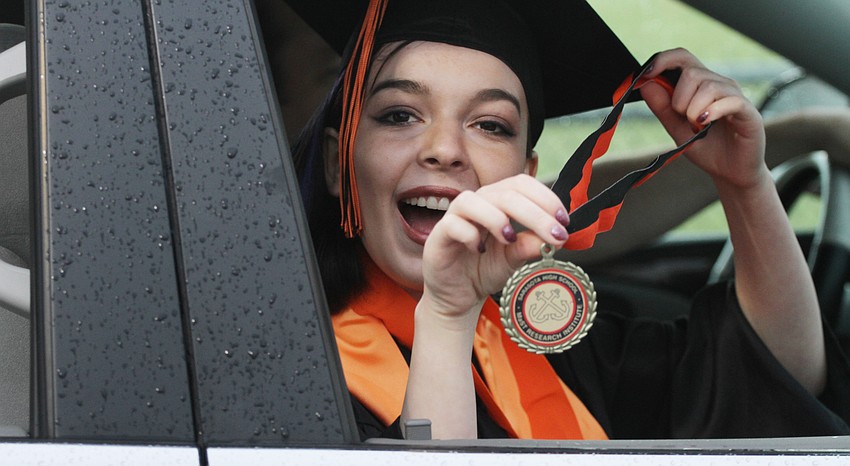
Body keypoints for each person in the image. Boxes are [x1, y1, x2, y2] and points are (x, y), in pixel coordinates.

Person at [285, 0, 850, 440]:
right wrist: (446, 313)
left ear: (527, 174)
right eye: (400, 114)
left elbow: (773, 378)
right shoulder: (281, 365)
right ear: (340, 164)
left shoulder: (541, 339)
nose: (444, 149)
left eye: (490, 125)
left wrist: (743, 185)